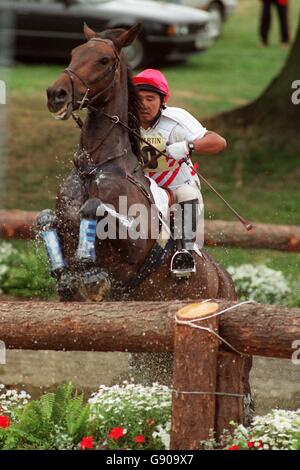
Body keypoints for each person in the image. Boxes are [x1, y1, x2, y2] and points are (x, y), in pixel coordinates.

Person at [132, 69, 227, 276]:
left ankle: (185, 252)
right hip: (143, 186)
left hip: (178, 187)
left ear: (162, 101)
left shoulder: (176, 119)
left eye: (151, 98)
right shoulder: (123, 120)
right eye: (139, 99)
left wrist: (188, 147)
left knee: (187, 194)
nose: (144, 105)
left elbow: (218, 142)